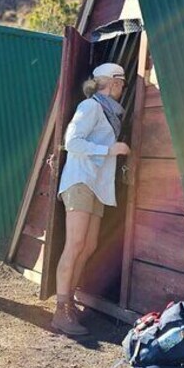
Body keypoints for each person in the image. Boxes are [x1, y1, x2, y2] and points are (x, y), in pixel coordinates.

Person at [51, 63, 130, 336]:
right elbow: (71, 142)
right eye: (121, 83)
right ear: (113, 83)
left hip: (96, 185)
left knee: (88, 245)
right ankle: (61, 311)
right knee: (75, 245)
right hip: (81, 180)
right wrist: (109, 149)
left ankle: (69, 301)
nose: (123, 88)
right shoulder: (91, 107)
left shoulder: (108, 111)